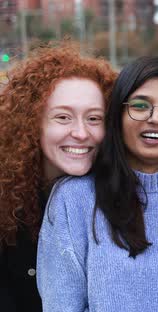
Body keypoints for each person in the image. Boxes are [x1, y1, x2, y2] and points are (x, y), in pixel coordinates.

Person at [37, 56, 158, 311]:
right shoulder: (73, 199)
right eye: (140, 105)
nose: (156, 118)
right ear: (117, 117)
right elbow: (62, 304)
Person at [0, 43, 117, 312]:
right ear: (32, 122)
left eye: (94, 118)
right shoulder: (6, 201)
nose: (80, 132)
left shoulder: (121, 196)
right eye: (63, 117)